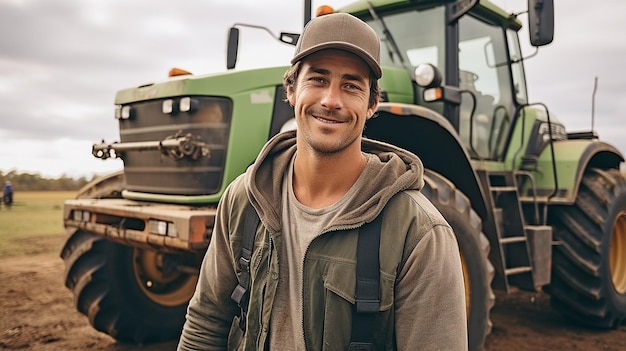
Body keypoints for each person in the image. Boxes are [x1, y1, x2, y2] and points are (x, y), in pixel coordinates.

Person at [177, 12, 467, 350]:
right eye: (317, 79)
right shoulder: (244, 199)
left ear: (372, 103)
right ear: (291, 89)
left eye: (351, 85)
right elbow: (206, 323)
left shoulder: (418, 232)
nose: (331, 100)